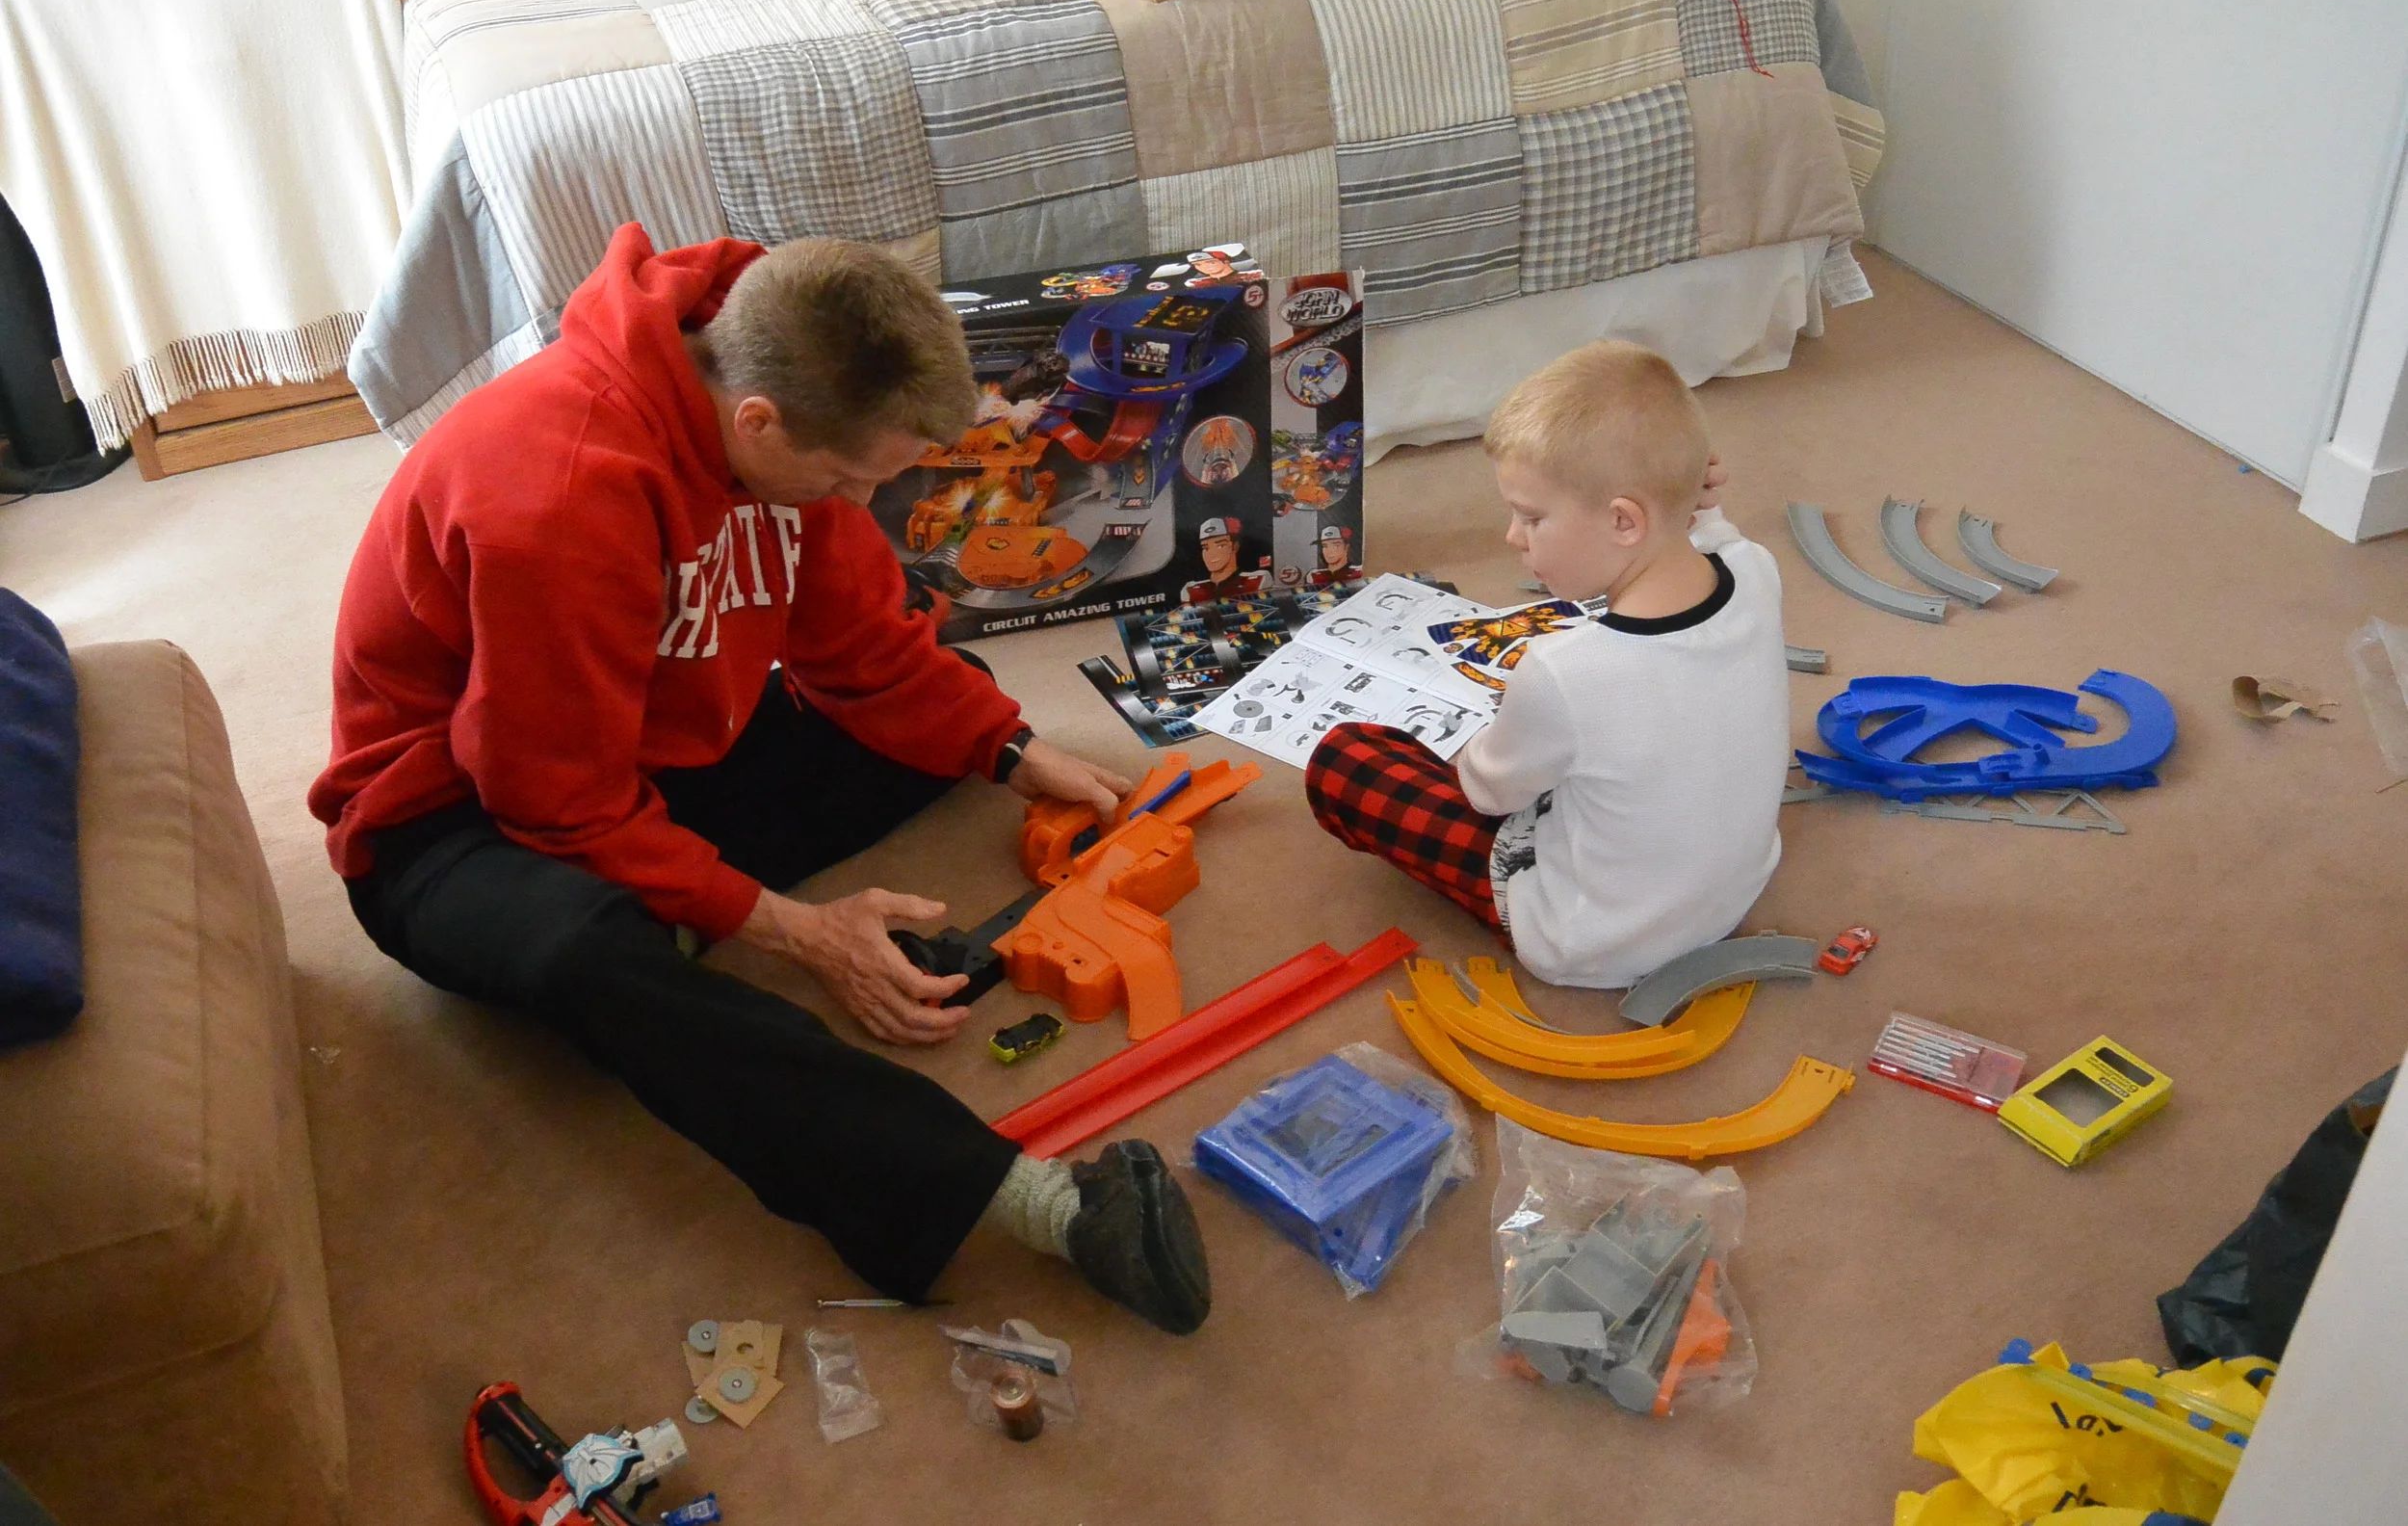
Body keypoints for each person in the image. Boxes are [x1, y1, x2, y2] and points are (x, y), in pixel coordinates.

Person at [309, 224, 1211, 1333]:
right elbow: (551, 800)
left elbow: (861, 651)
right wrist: (798, 931)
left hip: (640, 748)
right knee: (584, 949)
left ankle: (667, 929)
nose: (849, 506)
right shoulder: (555, 493)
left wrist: (1014, 752)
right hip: (453, 818)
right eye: (841, 481)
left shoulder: (780, 404)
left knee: (946, 699)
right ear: (757, 422)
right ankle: (1029, 1200)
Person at [1302, 340, 1788, 989]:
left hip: (1590, 943)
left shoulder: (1564, 668)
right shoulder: (1755, 567)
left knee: (1346, 757)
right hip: (1739, 886)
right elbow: (1706, 527)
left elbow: (1488, 792)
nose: (1512, 537)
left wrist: (1505, 723)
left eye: (1532, 518)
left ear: (1623, 521)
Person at [1179, 514, 1269, 605]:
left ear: (1235, 547)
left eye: (1220, 545)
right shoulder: (1191, 590)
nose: (1212, 553)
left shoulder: (1256, 581)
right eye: (1206, 548)